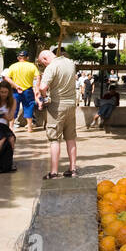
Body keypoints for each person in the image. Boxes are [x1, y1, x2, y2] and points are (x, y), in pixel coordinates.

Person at [35, 48, 78, 179]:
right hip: (71, 104)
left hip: (57, 106)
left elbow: (42, 87)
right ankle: (73, 169)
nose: (44, 66)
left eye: (43, 64)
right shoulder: (70, 63)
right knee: (70, 137)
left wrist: (44, 97)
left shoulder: (51, 67)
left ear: (44, 59)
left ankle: (54, 172)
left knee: (54, 139)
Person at [5, 50, 39, 133]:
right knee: (29, 107)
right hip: (28, 90)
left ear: (18, 58)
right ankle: (29, 127)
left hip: (16, 90)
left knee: (13, 108)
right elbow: (38, 77)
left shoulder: (13, 66)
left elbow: (7, 78)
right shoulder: (32, 66)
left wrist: (16, 86)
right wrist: (37, 88)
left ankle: (11, 127)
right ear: (27, 58)